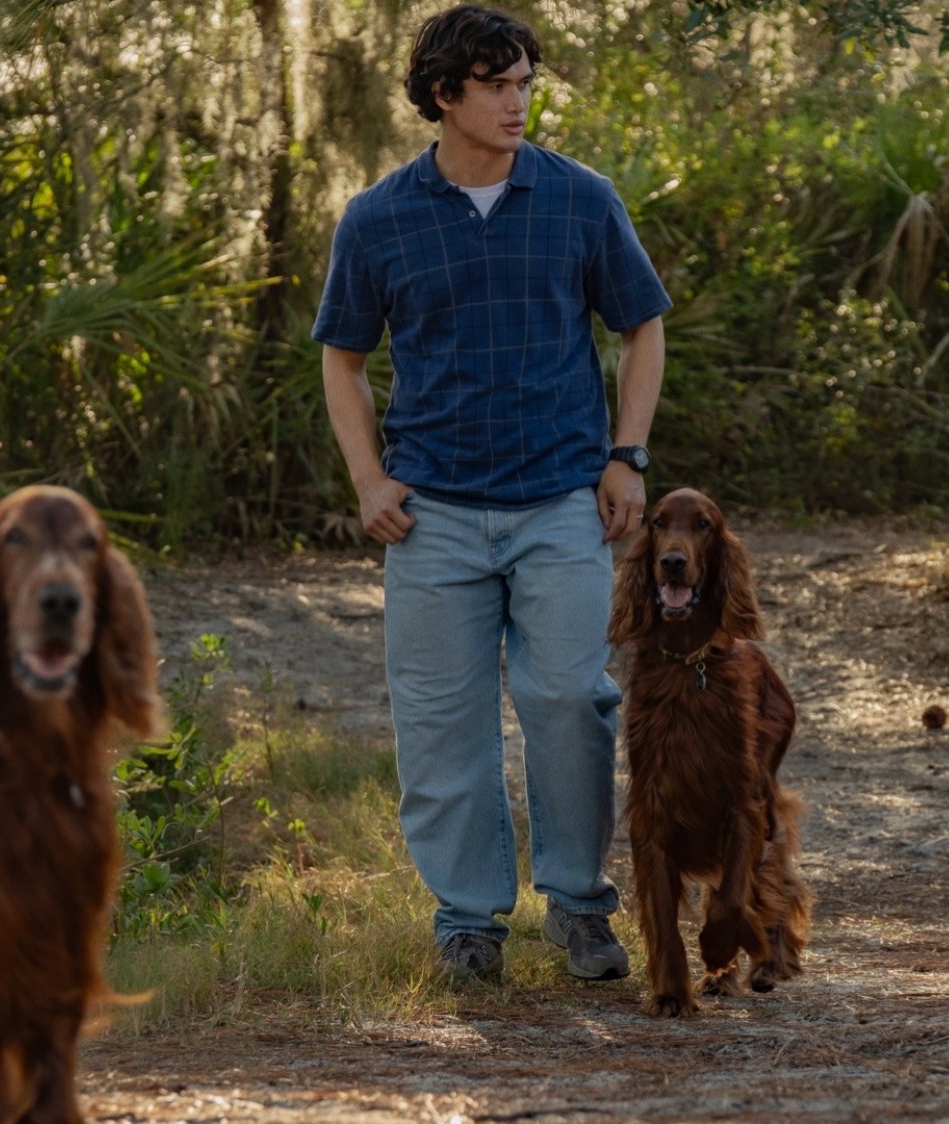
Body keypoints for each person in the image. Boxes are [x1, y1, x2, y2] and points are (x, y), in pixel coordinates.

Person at [312, 4, 670, 985]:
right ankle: (467, 918)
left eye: (524, 83)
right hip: (429, 515)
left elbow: (643, 326)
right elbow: (341, 362)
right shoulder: (378, 217)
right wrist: (368, 478)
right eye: (497, 84)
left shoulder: (578, 199)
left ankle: (578, 906)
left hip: (559, 500)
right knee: (440, 723)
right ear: (443, 95)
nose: (517, 101)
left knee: (570, 698)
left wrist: (624, 455)